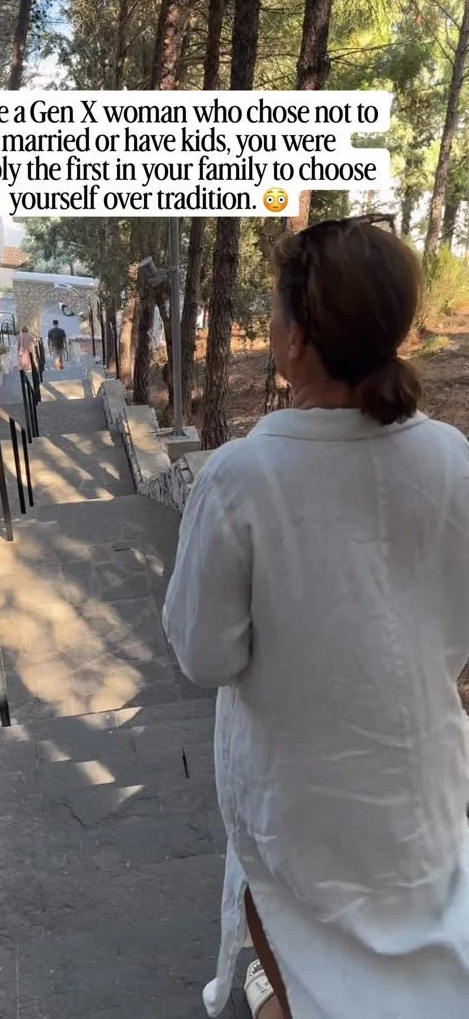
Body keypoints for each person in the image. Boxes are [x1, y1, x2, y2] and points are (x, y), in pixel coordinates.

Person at [163, 218, 469, 1019]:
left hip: (299, 796)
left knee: (302, 965)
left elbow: (204, 654)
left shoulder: (241, 478)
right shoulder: (451, 457)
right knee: (423, 958)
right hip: (423, 776)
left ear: (296, 337)